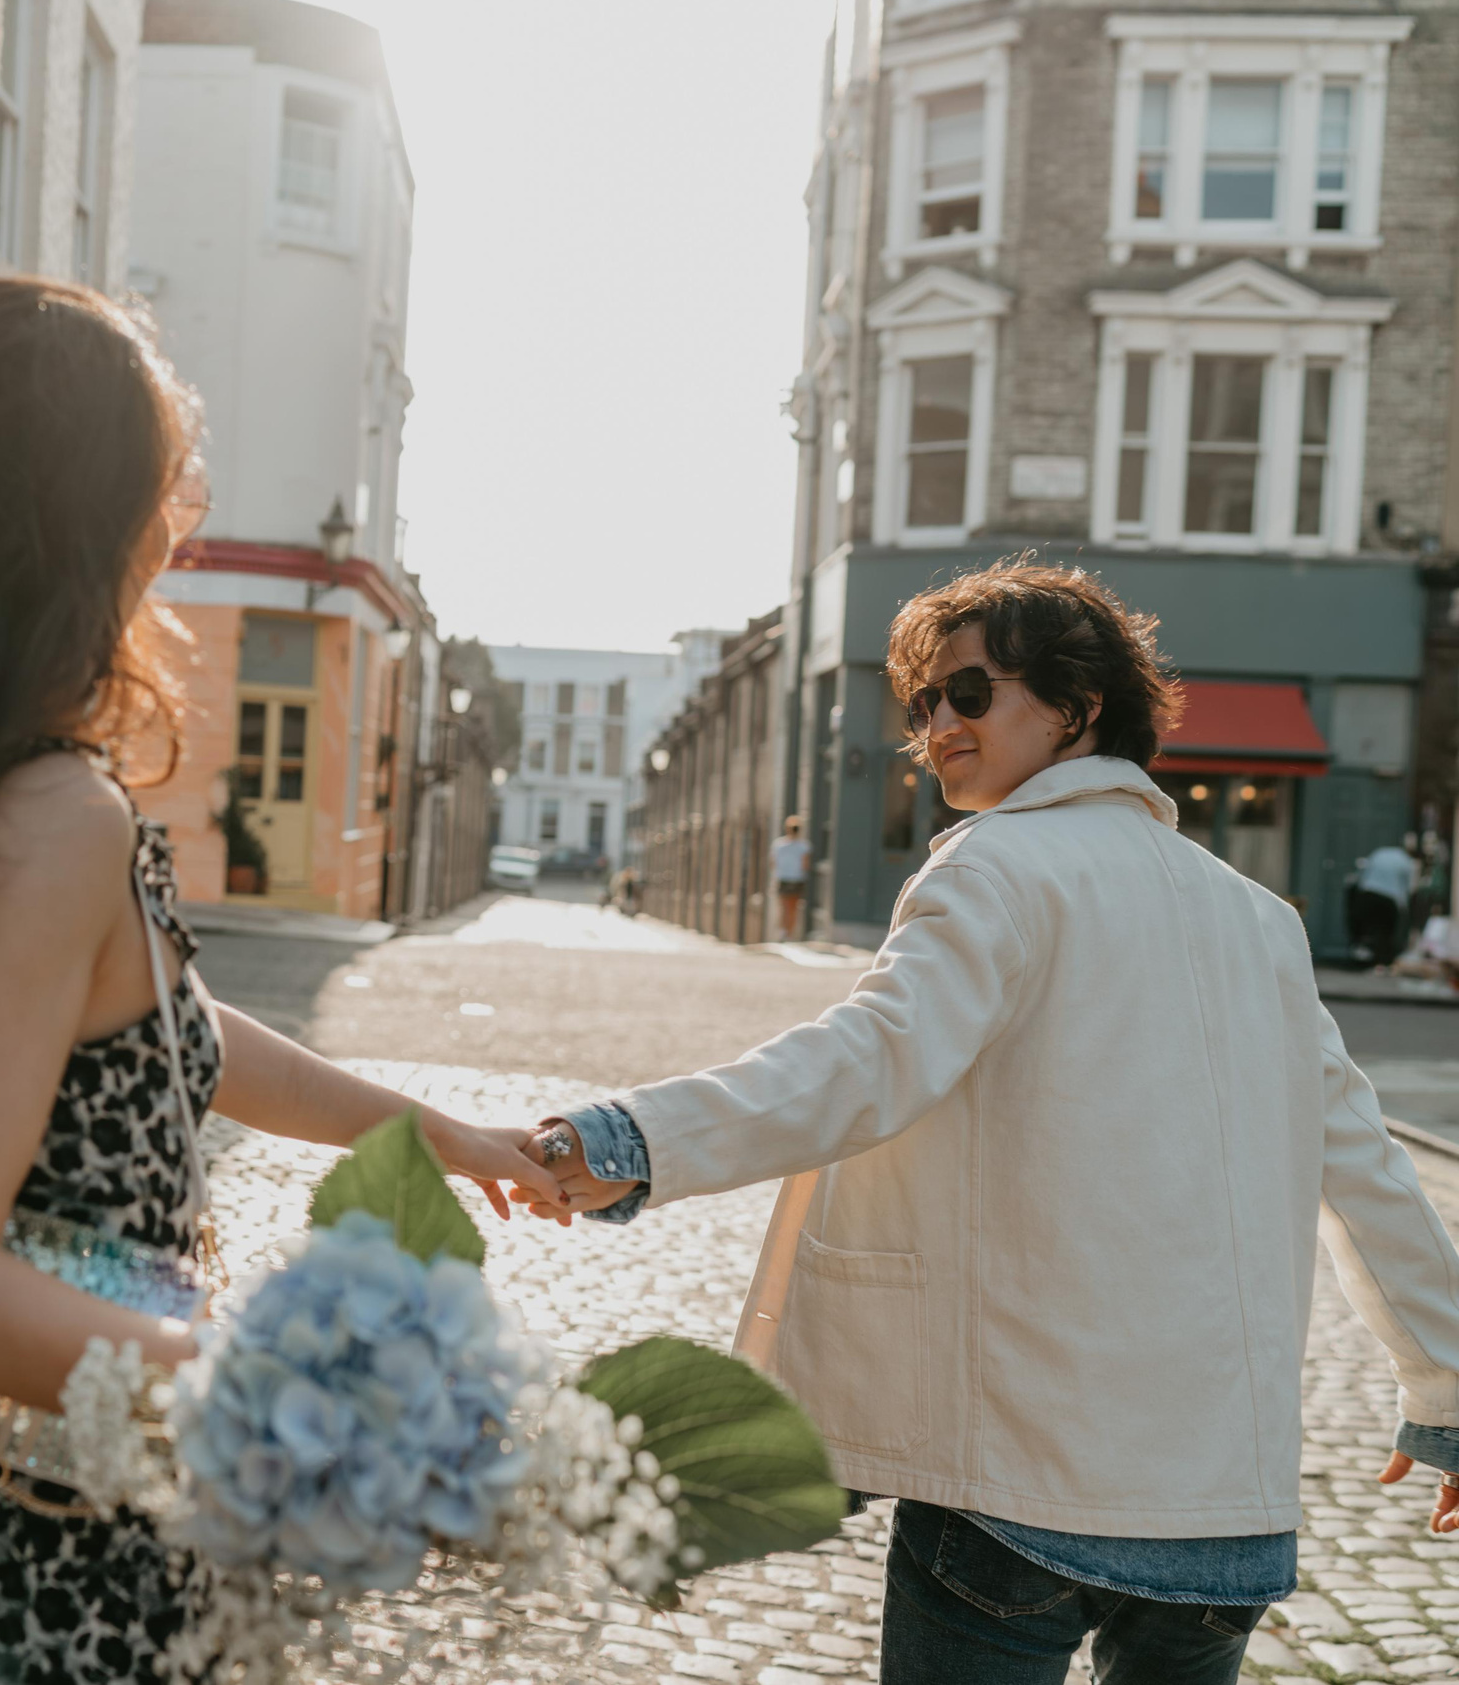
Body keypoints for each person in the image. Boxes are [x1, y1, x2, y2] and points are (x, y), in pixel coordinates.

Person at [0, 280, 562, 1685]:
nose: (179, 518)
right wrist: (304, 1406)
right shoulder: (49, 819)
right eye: (163, 480)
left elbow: (166, 1033)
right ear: (77, 513)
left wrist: (440, 1135)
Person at [512, 562, 1459, 1685]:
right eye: (922, 704)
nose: (935, 728)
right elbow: (1365, 1166)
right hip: (1223, 1518)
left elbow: (866, 1059)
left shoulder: (1000, 866)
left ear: (1078, 705)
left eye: (969, 693)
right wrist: (1446, 1392)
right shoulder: (1261, 920)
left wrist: (631, 1141)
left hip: (1023, 1485)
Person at [1352, 835, 1419, 966]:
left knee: (1366, 928)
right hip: (1389, 898)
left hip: (1368, 893)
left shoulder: (1379, 853)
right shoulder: (1406, 861)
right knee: (1384, 931)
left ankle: (1362, 959)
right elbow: (1408, 888)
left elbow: (1362, 874)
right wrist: (1404, 907)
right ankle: (1381, 962)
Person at [769, 815, 812, 940]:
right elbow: (805, 865)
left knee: (783, 906)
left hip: (783, 877)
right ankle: (789, 934)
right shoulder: (804, 846)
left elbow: (773, 862)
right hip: (797, 879)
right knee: (793, 907)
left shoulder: (778, 844)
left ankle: (782, 931)